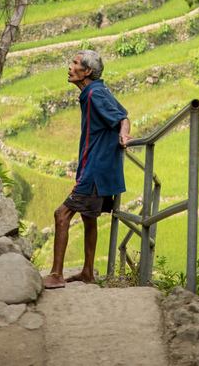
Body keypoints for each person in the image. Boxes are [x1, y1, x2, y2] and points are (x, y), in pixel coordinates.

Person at [43, 50, 130, 289]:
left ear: (87, 71)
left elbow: (122, 117)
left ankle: (56, 274)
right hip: (95, 169)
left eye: (75, 63)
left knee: (61, 215)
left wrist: (123, 133)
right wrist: (123, 129)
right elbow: (123, 116)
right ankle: (88, 272)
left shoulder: (94, 94)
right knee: (88, 217)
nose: (69, 67)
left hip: (95, 172)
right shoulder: (96, 91)